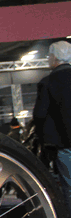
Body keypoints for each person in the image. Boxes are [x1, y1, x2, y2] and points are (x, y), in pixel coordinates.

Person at [33, 40, 71, 207]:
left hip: (64, 145)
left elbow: (40, 115)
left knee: (69, 188)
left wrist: (44, 143)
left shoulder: (47, 83)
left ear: (54, 58)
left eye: (49, 56)